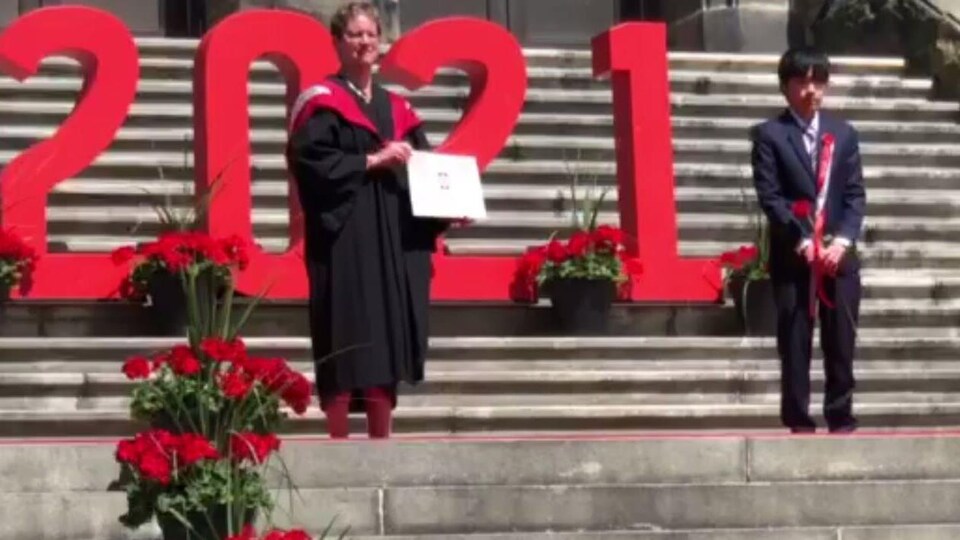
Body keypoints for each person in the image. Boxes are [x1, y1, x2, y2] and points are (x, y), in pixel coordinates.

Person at [286, 2, 451, 439]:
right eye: (355, 35)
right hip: (345, 238)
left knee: (387, 334)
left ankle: (383, 441)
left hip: (392, 235)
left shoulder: (399, 109)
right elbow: (310, 162)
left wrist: (450, 206)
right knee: (346, 332)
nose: (364, 43)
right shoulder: (322, 103)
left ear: (381, 42)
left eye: (371, 35)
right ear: (337, 43)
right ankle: (338, 438)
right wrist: (372, 159)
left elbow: (427, 170)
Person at [750, 47, 866, 434]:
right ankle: (798, 419)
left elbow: (854, 195)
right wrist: (802, 240)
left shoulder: (844, 133)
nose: (811, 90)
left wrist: (842, 242)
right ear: (786, 87)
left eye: (818, 81)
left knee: (841, 340)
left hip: (837, 255)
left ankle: (841, 415)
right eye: (802, 81)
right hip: (794, 255)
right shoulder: (770, 135)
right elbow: (771, 197)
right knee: (795, 339)